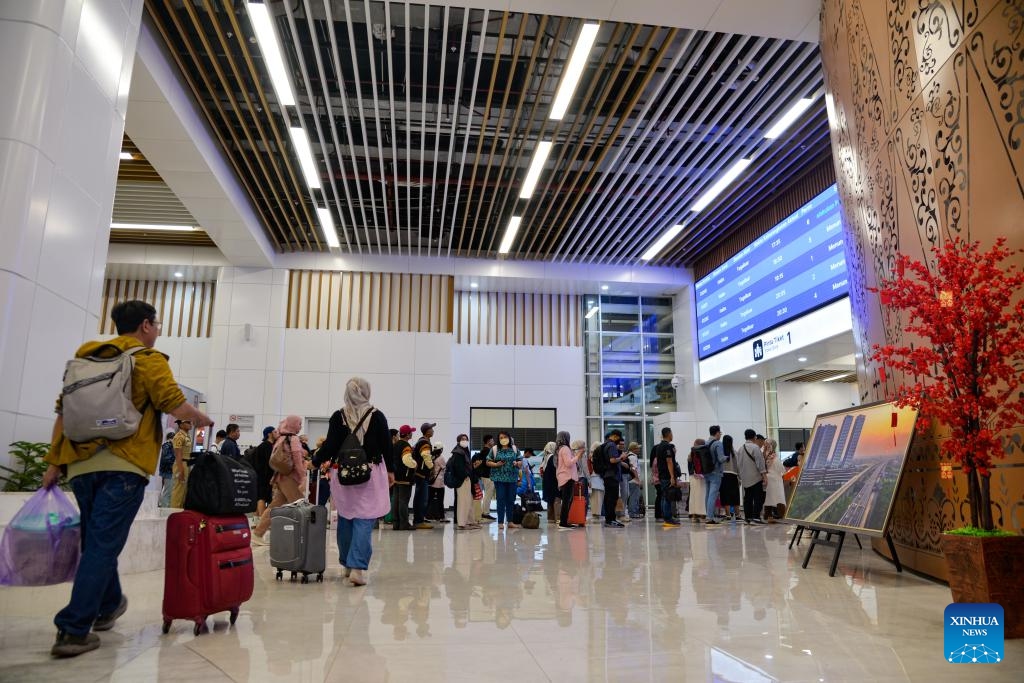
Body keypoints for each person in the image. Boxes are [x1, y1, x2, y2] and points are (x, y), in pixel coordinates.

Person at [41, 300, 213, 657]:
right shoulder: (148, 360)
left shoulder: (87, 359)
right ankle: (73, 629)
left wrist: (54, 462)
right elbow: (173, 403)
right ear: (146, 326)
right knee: (103, 544)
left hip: (82, 466)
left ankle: (109, 604)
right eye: (157, 324)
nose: (158, 330)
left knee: (97, 542)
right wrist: (201, 418)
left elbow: (63, 410)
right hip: (124, 464)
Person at [314, 377, 393, 586]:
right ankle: (357, 567)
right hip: (370, 473)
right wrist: (392, 471)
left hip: (343, 474)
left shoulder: (338, 416)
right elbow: (387, 446)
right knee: (364, 519)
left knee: (346, 517)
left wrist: (315, 460)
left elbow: (330, 446)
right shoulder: (377, 416)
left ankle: (347, 565)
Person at [252, 416, 309, 544]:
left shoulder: (281, 438)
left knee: (274, 506)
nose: (300, 426)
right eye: (299, 424)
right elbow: (297, 460)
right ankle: (306, 536)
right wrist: (303, 476)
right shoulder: (293, 438)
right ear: (293, 424)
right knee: (301, 505)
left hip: (281, 476)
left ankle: (258, 533)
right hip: (290, 478)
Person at [486, 430, 521, 529]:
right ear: (498, 439)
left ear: (509, 438)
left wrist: (517, 463)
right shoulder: (495, 449)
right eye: (501, 437)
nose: (503, 439)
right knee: (500, 499)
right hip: (499, 479)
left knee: (511, 500)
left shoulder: (514, 448)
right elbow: (487, 461)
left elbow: (520, 461)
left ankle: (510, 521)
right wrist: (496, 464)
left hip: (512, 478)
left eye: (505, 437)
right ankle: (500, 522)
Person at [448, 434, 480, 530]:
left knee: (469, 501)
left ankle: (470, 521)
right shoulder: (458, 452)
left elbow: (466, 466)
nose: (465, 441)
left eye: (466, 439)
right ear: (458, 441)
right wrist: (465, 476)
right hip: (462, 480)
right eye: (462, 439)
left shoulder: (464, 451)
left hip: (466, 479)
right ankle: (462, 523)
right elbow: (458, 467)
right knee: (463, 502)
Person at [736, 429, 768, 525]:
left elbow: (739, 464)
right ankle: (756, 517)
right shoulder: (755, 448)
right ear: (755, 437)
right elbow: (760, 463)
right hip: (756, 477)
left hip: (745, 478)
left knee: (748, 498)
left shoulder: (741, 448)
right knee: (759, 497)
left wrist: (740, 476)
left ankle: (748, 518)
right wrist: (764, 476)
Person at [652, 428, 680, 526]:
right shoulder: (667, 446)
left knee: (664, 496)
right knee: (667, 497)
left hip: (662, 474)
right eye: (672, 433)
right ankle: (668, 518)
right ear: (668, 434)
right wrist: (672, 476)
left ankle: (665, 517)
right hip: (667, 475)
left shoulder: (659, 446)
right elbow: (669, 462)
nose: (672, 435)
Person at [411, 422, 436, 530]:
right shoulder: (425, 442)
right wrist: (431, 467)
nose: (433, 430)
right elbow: (426, 456)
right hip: (422, 474)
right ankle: (419, 521)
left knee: (419, 497)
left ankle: (419, 518)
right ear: (428, 431)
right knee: (422, 498)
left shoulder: (421, 441)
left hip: (419, 474)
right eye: (431, 429)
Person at [391, 425, 416, 530]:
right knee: (403, 501)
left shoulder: (395, 445)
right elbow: (407, 460)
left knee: (396, 500)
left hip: (396, 477)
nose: (412, 433)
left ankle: (396, 524)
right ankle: (404, 523)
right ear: (407, 434)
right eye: (410, 432)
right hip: (405, 478)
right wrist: (415, 464)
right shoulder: (406, 446)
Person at [600, 430, 627, 528]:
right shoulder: (611, 445)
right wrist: (622, 457)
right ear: (615, 436)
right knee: (612, 498)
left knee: (609, 498)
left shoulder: (605, 444)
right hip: (612, 476)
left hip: (607, 475)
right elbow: (612, 460)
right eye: (618, 438)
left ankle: (610, 519)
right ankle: (610, 520)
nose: (619, 441)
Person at [555, 433, 582, 529]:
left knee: (567, 500)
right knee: (567, 501)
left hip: (566, 477)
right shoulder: (565, 449)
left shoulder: (561, 449)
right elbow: (568, 463)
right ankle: (563, 522)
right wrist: (578, 456)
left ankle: (564, 521)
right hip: (567, 477)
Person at [250, 426, 277, 518]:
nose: (277, 433)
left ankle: (256, 519)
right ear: (269, 434)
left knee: (261, 496)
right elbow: (270, 462)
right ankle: (262, 519)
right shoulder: (267, 446)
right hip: (264, 476)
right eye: (275, 432)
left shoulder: (263, 446)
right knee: (262, 497)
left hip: (261, 475)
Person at [169, 418, 194, 508]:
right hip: (181, 463)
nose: (190, 424)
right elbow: (178, 455)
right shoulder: (179, 436)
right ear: (181, 425)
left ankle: (180, 511)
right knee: (178, 490)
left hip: (186, 463)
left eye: (190, 422)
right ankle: (174, 511)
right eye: (187, 422)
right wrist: (181, 470)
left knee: (184, 490)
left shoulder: (187, 436)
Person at [704, 426, 726, 525]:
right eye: (720, 433)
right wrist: (728, 456)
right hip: (716, 472)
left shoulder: (706, 443)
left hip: (706, 472)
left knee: (708, 494)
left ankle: (709, 515)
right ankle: (710, 517)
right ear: (717, 433)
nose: (720, 435)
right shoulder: (718, 443)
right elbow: (721, 459)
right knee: (712, 495)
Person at [762, 437, 786, 522]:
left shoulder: (765, 455)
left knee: (769, 498)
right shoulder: (774, 457)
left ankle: (767, 515)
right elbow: (782, 469)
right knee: (779, 497)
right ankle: (781, 514)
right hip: (775, 479)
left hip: (768, 478)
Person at [474, 434, 496, 522]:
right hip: (488, 475)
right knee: (488, 494)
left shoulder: (484, 450)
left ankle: (485, 512)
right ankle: (485, 513)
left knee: (488, 494)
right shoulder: (487, 451)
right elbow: (488, 463)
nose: (493, 442)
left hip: (485, 475)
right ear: (488, 441)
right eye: (492, 440)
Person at [719, 434, 741, 521]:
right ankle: (738, 514)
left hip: (724, 476)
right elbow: (738, 466)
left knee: (725, 495)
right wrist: (739, 477)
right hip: (734, 475)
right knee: (735, 496)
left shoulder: (721, 452)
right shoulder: (735, 452)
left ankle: (728, 515)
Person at [427, 441, 448, 523]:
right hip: (439, 483)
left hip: (431, 482)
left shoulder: (432, 457)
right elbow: (444, 468)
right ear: (441, 449)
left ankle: (427, 515)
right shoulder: (441, 458)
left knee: (429, 500)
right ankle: (441, 517)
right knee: (440, 500)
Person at [687, 439, 707, 522]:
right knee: (701, 496)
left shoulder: (691, 453)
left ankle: (693, 515)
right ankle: (702, 514)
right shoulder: (702, 452)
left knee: (693, 495)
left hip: (692, 476)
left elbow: (689, 465)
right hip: (701, 477)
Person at [539, 441, 558, 521]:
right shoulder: (552, 457)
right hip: (553, 481)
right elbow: (555, 470)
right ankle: (556, 518)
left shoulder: (545, 457)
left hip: (546, 481)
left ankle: (550, 518)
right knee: (555, 499)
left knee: (549, 501)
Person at [158, 432, 175, 508]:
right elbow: (166, 458)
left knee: (167, 490)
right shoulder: (167, 445)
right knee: (168, 491)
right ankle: (164, 508)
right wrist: (174, 459)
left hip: (167, 470)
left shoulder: (168, 445)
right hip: (168, 471)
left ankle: (163, 506)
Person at [588, 443, 605, 519]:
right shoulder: (596, 456)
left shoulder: (591, 456)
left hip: (594, 479)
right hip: (596, 479)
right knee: (597, 499)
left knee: (595, 500)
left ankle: (596, 515)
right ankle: (596, 516)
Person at [626, 442, 642, 517]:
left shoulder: (629, 456)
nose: (639, 449)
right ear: (633, 449)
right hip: (634, 480)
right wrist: (637, 479)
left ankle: (633, 511)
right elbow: (633, 469)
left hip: (632, 479)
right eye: (637, 448)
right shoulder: (633, 457)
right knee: (634, 496)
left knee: (633, 496)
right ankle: (633, 512)